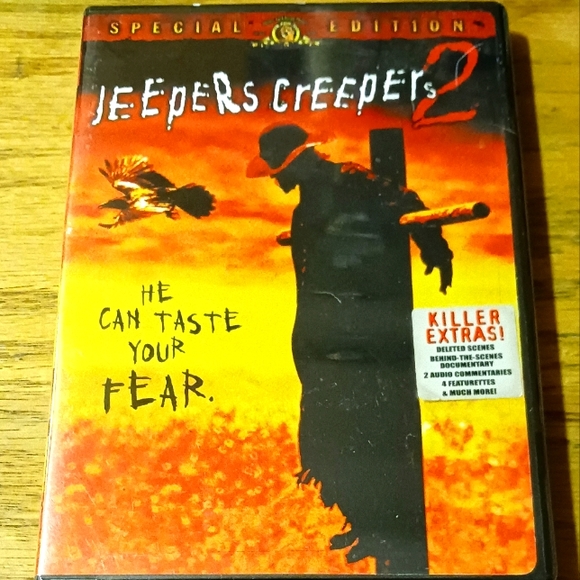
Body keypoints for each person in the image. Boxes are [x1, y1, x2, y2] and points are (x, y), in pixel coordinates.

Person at [247, 124, 453, 574]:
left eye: (279, 171)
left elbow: (408, 203)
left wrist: (436, 249)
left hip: (360, 331)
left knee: (367, 429)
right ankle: (366, 523)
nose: (275, 180)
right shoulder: (304, 206)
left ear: (299, 160)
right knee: (325, 436)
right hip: (319, 332)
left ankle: (383, 528)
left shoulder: (353, 180)